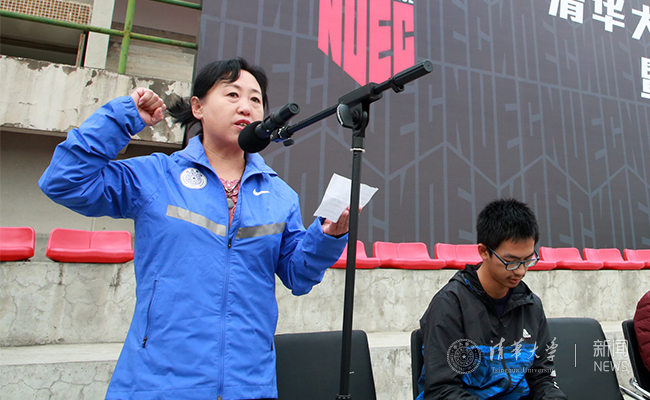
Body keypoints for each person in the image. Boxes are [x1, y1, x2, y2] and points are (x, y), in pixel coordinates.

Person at [39, 57, 351, 400]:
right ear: (198, 107)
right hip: (157, 385)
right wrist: (121, 119)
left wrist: (328, 236)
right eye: (232, 95)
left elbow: (299, 276)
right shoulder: (157, 176)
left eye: (255, 99)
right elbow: (64, 181)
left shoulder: (280, 195)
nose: (246, 107)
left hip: (249, 385)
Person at [417, 198, 566, 399]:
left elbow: (541, 378)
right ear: (484, 251)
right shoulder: (450, 305)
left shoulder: (531, 305)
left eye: (528, 260)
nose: (521, 271)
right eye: (511, 262)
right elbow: (441, 390)